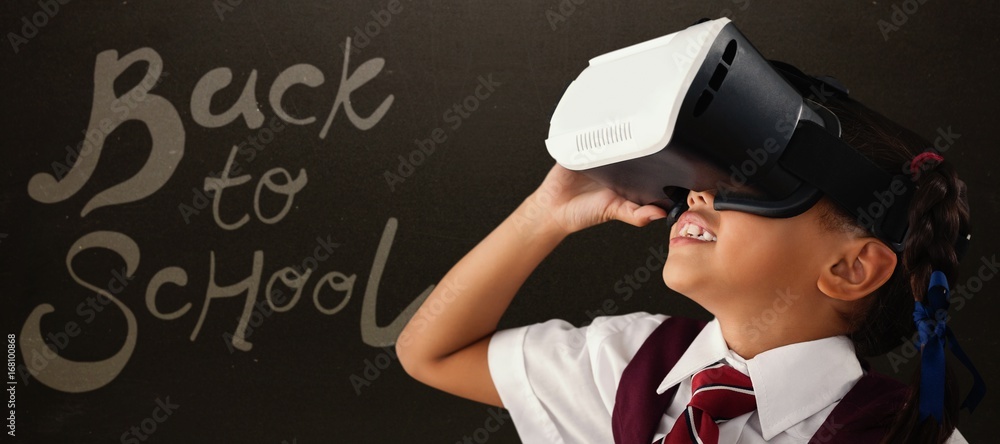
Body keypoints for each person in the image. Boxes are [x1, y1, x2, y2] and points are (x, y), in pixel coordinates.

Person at [394, 84, 977, 442]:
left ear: (852, 269)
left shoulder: (903, 435)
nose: (697, 194)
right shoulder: (629, 366)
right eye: (702, 175)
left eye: (751, 183)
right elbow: (431, 352)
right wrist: (544, 212)